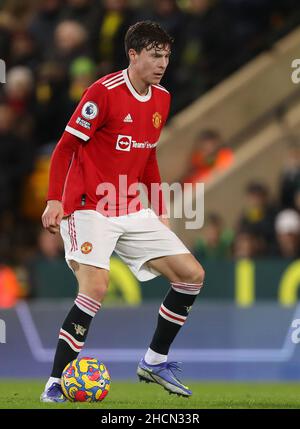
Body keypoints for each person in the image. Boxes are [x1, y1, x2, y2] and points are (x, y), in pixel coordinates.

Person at [40, 21, 205, 402]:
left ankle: (154, 361)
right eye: (154, 55)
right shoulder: (103, 92)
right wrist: (54, 200)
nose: (162, 63)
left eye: (166, 55)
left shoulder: (162, 98)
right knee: (96, 287)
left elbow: (148, 157)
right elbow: (65, 147)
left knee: (192, 275)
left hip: (129, 206)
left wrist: (159, 209)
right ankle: (55, 381)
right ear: (133, 55)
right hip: (87, 206)